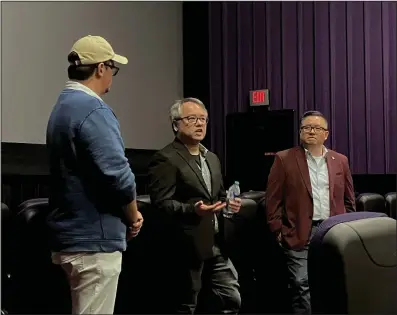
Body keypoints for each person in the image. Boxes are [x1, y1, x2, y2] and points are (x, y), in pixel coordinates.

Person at [46, 35, 143, 314]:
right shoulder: (93, 109)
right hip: (94, 244)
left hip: (70, 239)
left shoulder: (62, 107)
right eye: (112, 67)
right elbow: (119, 176)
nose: (112, 75)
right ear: (101, 68)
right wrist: (133, 215)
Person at [148, 98, 242, 314]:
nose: (200, 124)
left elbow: (218, 196)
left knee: (231, 299)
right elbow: (161, 203)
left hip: (217, 243)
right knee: (186, 304)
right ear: (175, 124)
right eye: (192, 119)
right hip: (187, 245)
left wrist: (229, 204)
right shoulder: (166, 158)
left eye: (203, 119)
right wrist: (193, 210)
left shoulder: (212, 158)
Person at [265, 110, 356, 314]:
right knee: (301, 284)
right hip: (298, 232)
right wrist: (278, 230)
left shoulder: (340, 160)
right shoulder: (284, 159)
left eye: (317, 128)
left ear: (326, 133)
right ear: (300, 132)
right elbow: (272, 199)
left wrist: (348, 225)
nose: (311, 131)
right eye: (306, 127)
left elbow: (349, 198)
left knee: (332, 282)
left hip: (333, 231)